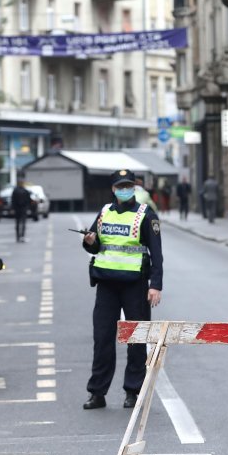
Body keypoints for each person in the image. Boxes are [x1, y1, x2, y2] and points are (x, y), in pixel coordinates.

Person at [81, 169, 163, 410]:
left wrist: (155, 285)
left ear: (134, 188)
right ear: (113, 189)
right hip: (107, 284)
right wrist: (90, 241)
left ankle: (133, 391)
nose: (124, 189)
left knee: (136, 339)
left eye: (128, 185)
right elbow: (95, 246)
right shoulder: (104, 212)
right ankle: (97, 393)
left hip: (135, 285)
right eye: (120, 186)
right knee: (102, 338)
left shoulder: (146, 214)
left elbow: (157, 253)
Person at [11, 177, 32, 243]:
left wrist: (13, 208)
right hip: (22, 209)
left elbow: (13, 201)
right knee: (22, 223)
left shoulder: (16, 190)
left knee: (18, 223)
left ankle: (18, 237)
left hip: (18, 209)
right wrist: (28, 208)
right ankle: (21, 236)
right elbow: (29, 201)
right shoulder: (25, 191)